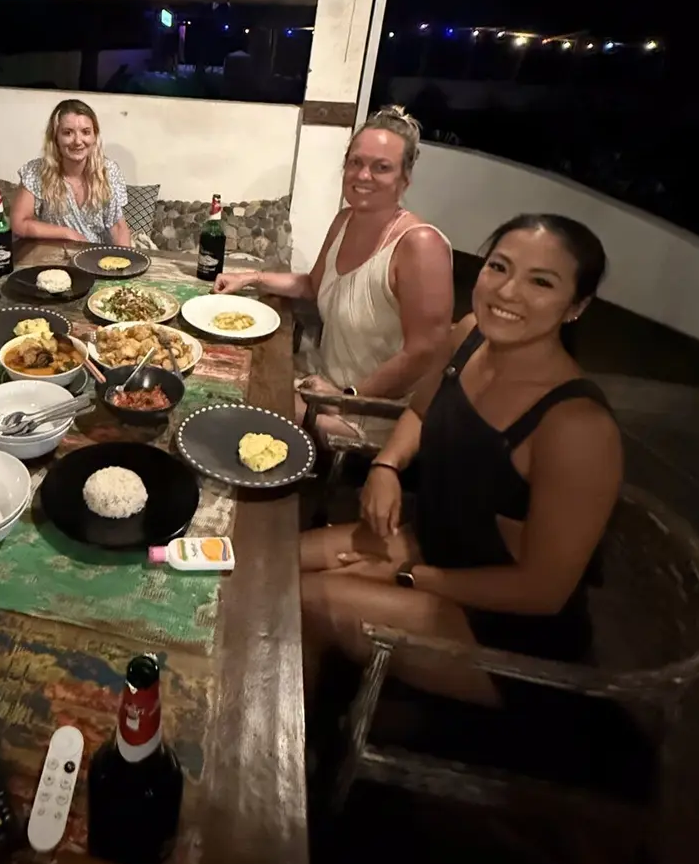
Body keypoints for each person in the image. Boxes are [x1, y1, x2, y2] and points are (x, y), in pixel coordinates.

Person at [300, 214, 623, 704]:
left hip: (507, 634)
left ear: (576, 306)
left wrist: (410, 577)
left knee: (302, 601)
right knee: (269, 565)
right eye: (499, 267)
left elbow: (542, 591)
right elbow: (421, 411)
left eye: (540, 282)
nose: (508, 291)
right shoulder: (470, 335)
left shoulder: (577, 427)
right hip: (432, 544)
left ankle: (284, 743)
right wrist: (387, 465)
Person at [216, 108, 453, 433]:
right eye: (355, 162)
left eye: (381, 167)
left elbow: (425, 352)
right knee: (228, 371)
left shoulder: (421, 244)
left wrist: (346, 398)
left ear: (404, 180)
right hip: (322, 384)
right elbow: (313, 285)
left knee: (244, 404)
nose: (363, 175)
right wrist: (250, 277)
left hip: (373, 412)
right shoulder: (345, 220)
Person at [11, 98, 132, 247]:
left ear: (94, 136)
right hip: (55, 254)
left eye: (86, 132)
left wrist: (125, 259)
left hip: (97, 255)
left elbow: (119, 228)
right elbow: (19, 223)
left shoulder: (109, 171)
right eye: (68, 133)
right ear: (55, 137)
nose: (78, 141)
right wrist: (68, 234)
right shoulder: (36, 171)